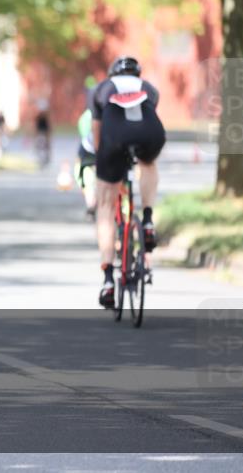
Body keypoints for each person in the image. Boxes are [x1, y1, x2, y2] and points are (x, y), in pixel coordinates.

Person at [92, 56, 165, 308]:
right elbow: (147, 117)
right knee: (148, 163)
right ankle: (147, 220)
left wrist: (103, 165)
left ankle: (108, 280)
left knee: (105, 206)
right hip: (150, 133)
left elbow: (97, 132)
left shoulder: (102, 89)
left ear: (112, 74)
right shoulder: (149, 88)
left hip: (114, 137)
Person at [34, 99, 51, 167]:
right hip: (40, 135)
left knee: (45, 147)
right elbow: (36, 127)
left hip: (44, 134)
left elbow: (48, 128)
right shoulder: (38, 118)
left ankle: (45, 159)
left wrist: (48, 137)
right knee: (40, 147)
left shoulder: (46, 118)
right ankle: (41, 159)